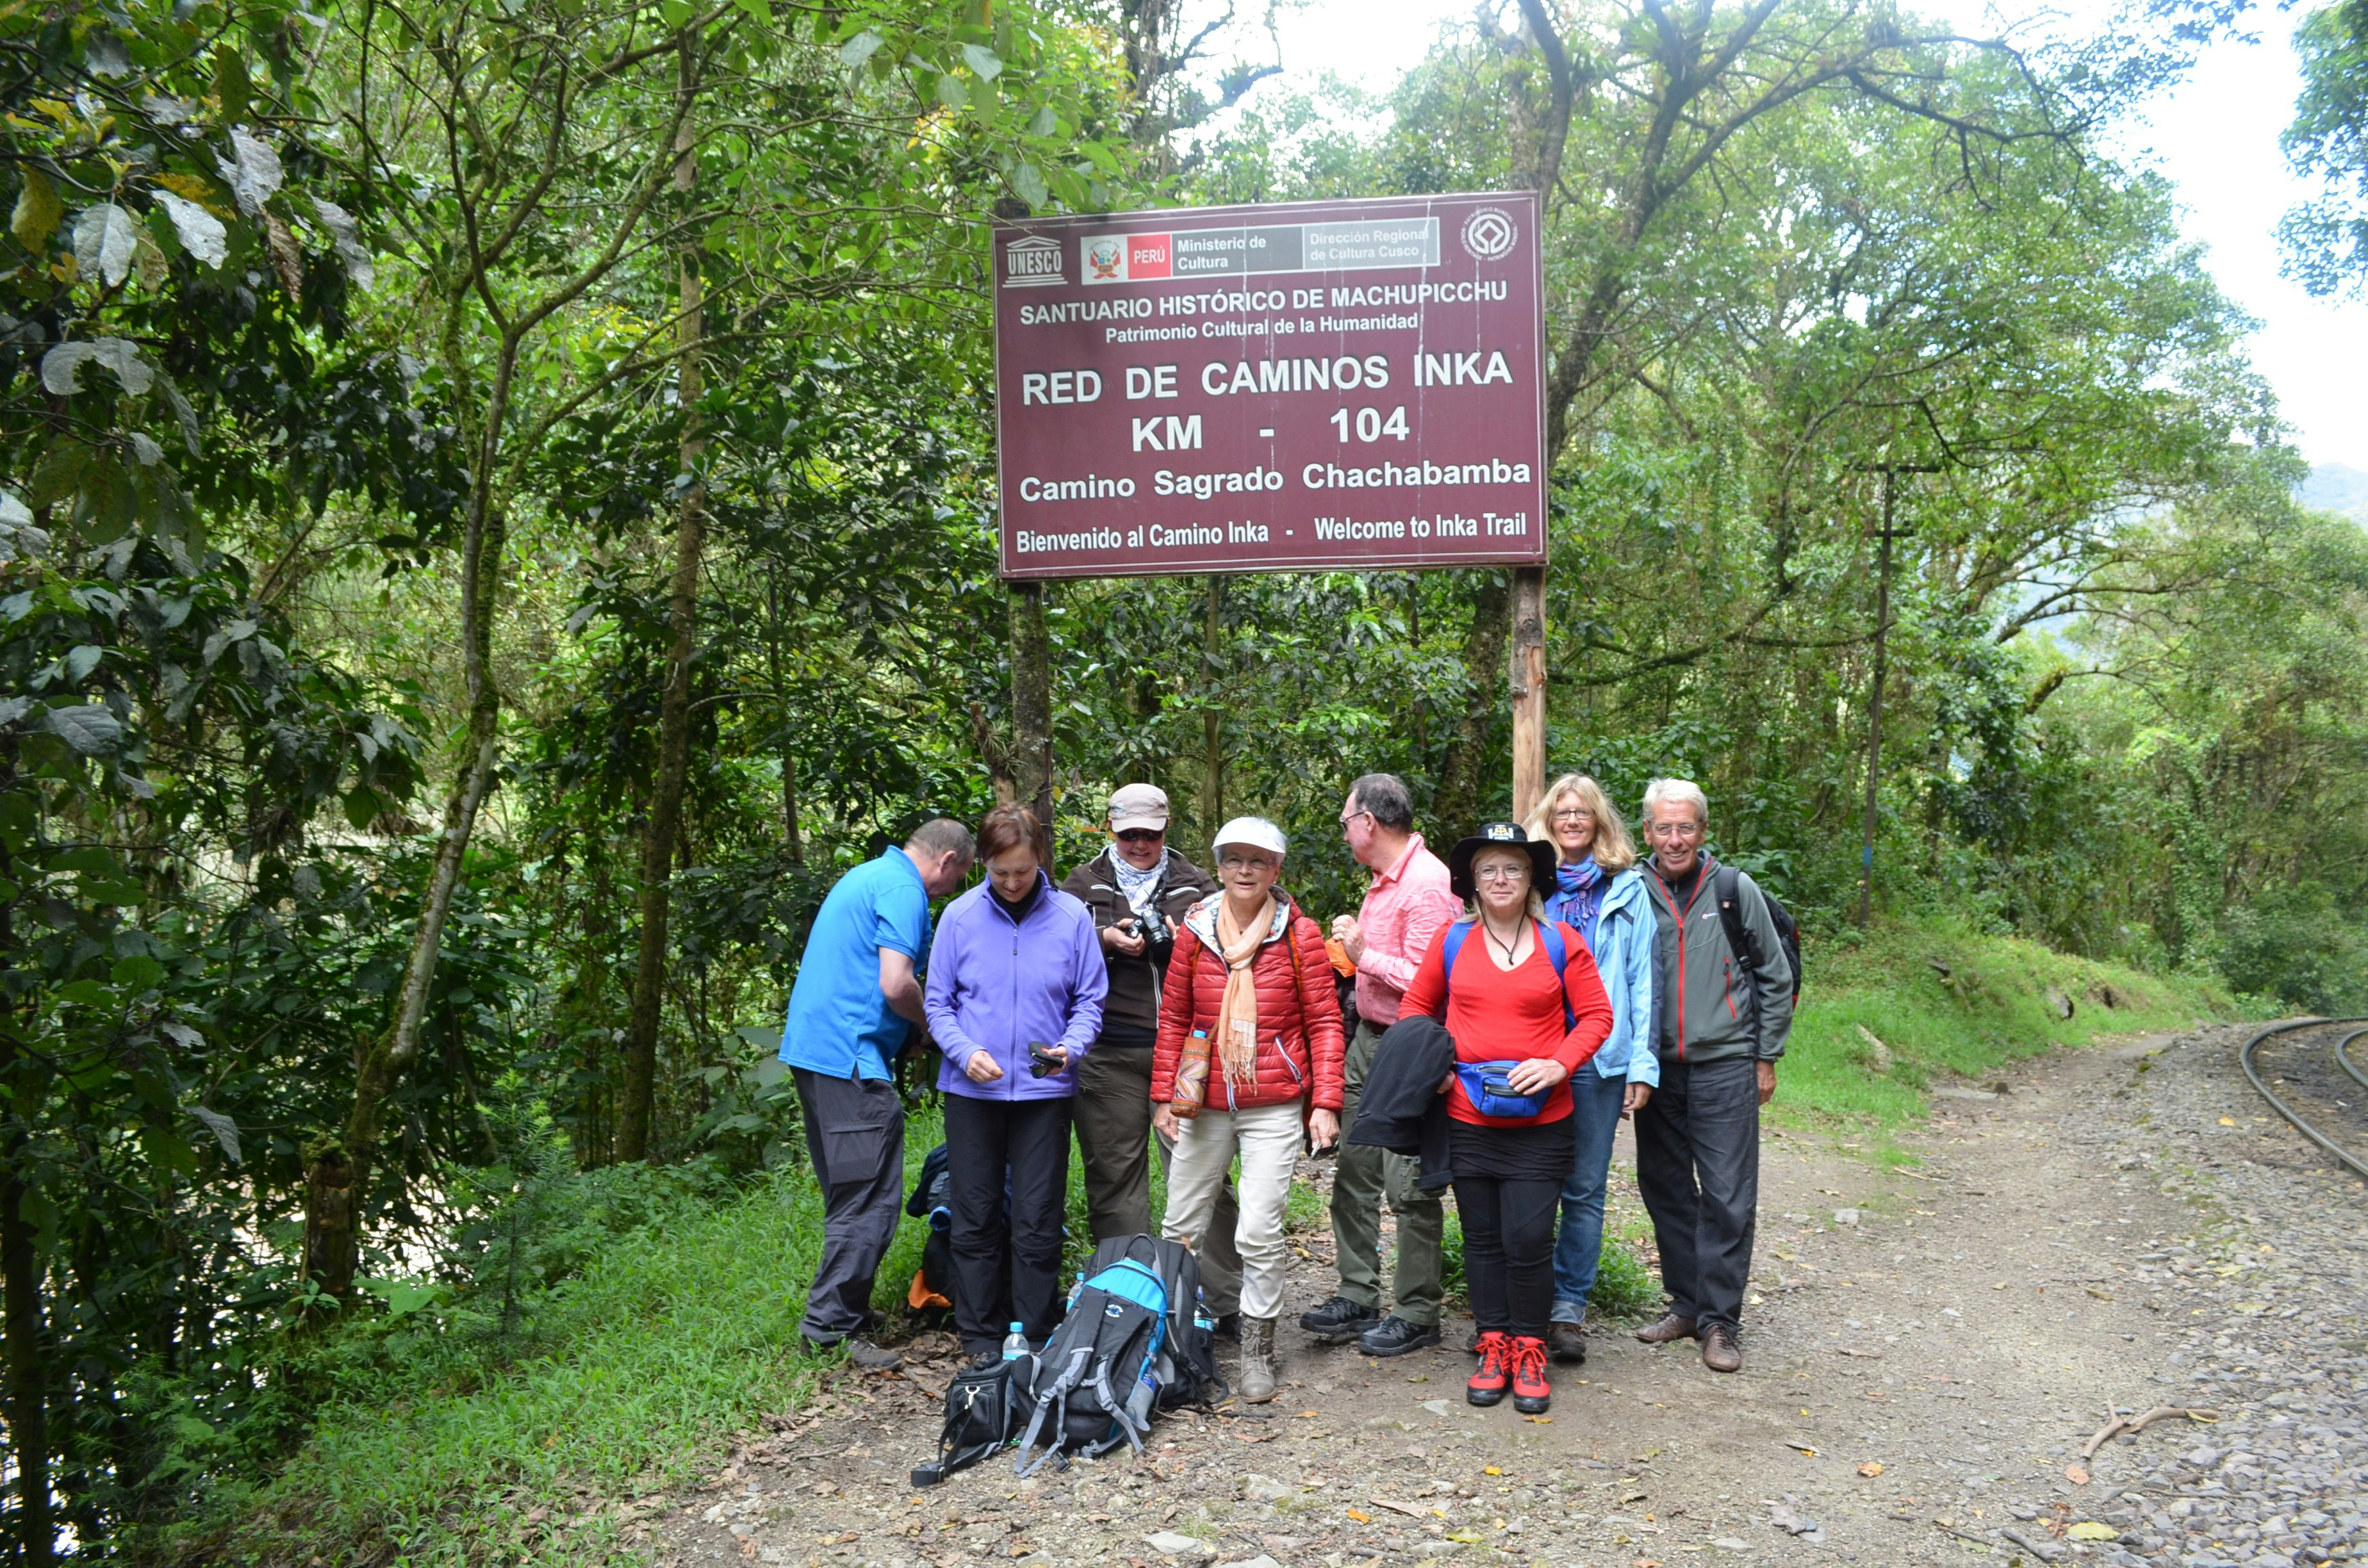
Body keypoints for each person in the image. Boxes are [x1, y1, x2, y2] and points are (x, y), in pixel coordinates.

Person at [1397, 821, 1614, 1415]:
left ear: (1532, 879)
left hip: (1543, 1120)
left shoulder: (1561, 941)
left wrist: (1558, 1063)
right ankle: (1494, 1345)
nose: (1500, 879)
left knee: (1528, 1238)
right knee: (1484, 1239)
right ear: (1472, 881)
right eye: (1489, 868)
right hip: (1468, 1116)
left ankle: (1531, 1347)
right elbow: (1417, 1008)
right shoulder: (1451, 940)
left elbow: (1596, 1016)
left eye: (1513, 868)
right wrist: (1433, 1068)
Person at [1151, 817, 1345, 1403]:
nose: (1244, 870)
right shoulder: (1195, 931)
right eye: (1234, 859)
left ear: (1276, 871)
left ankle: (1258, 1351)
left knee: (1258, 1231)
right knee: (1180, 1228)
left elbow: (1324, 1022)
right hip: (1204, 1100)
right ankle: (1171, 1342)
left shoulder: (1299, 934)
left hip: (1273, 1102)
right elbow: (1177, 1019)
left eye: (1257, 861)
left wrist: (1326, 1102)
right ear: (1218, 866)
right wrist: (1167, 1098)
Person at [780, 817, 975, 1370]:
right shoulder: (904, 889)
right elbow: (896, 983)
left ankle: (847, 1311)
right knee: (868, 1198)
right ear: (948, 862)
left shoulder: (868, 875)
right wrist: (931, 1028)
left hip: (817, 1054)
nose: (952, 891)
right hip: (850, 1060)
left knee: (851, 1192)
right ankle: (829, 1329)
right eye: (957, 878)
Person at [923, 804, 1108, 1365]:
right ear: (982, 863)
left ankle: (1032, 1332)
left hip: (1043, 1092)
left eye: (1021, 872)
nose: (1009, 883)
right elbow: (938, 1004)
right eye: (999, 872)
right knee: (974, 1213)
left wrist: (1069, 1049)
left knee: (1037, 1215)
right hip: (971, 1092)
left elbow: (1090, 1001)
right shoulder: (958, 917)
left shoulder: (1073, 917)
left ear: (1040, 861)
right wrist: (965, 1051)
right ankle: (979, 1336)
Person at [1059, 784, 1244, 1332]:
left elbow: (1230, 950)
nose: (1140, 843)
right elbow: (1057, 952)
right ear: (1111, 829)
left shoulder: (1196, 883)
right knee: (1115, 1179)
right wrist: (1104, 940)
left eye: (1151, 833)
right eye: (1129, 833)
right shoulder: (1080, 883)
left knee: (1203, 1175)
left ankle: (1222, 1302)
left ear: (1167, 828)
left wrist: (1176, 938)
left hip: (1186, 1050)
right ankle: (1129, 1304)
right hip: (1110, 1050)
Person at [1632, 778, 1794, 1374]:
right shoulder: (1633, 891)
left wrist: (1765, 1056)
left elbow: (1774, 975)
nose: (1675, 839)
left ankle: (1721, 1322)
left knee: (1728, 1196)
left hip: (1726, 1063)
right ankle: (1687, 1303)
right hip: (1656, 1070)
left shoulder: (1733, 889)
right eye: (1663, 828)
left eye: (1686, 827)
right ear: (1646, 832)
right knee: (1667, 1189)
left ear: (1703, 831)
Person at [1303, 774, 1460, 1357]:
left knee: (1409, 1185)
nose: (1345, 834)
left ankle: (1417, 1311)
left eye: (1346, 822)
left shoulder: (1428, 884)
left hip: (1409, 1049)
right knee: (1355, 1173)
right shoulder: (1383, 881)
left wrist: (1364, 952)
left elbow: (1430, 975)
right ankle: (1357, 1295)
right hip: (1368, 1038)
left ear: (1368, 821)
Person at [1523, 774, 1659, 1364]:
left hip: (1600, 1058)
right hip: (1531, 1051)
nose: (1572, 821)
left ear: (1599, 822)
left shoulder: (1627, 890)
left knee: (1583, 1189)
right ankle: (1521, 1299)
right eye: (1562, 812)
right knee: (1528, 1180)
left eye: (1582, 813)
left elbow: (1641, 981)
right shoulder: (1528, 883)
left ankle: (1567, 1310)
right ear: (1548, 821)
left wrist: (1641, 1064)